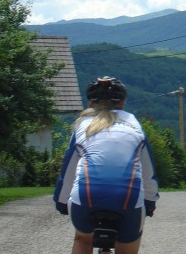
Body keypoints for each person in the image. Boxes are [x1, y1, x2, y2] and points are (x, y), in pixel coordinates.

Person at [54, 76, 159, 254]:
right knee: (128, 248)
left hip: (86, 198)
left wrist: (61, 202)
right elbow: (149, 174)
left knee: (83, 240)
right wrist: (150, 202)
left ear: (90, 103)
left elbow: (68, 172)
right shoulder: (133, 124)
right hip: (128, 200)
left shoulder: (82, 125)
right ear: (122, 103)